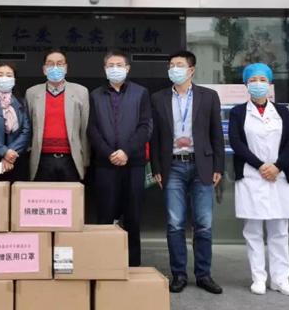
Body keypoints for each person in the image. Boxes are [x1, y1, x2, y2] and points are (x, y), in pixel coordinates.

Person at [150, 50, 225, 294]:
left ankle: (203, 274)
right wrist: (156, 167)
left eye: (179, 65)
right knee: (175, 223)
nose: (174, 69)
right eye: (171, 65)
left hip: (202, 165)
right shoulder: (158, 98)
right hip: (172, 166)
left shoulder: (208, 96)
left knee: (203, 223)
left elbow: (216, 133)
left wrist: (218, 166)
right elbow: (154, 136)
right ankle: (179, 274)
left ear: (191, 70)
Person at [229, 63, 289, 296]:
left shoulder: (282, 111)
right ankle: (258, 278)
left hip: (279, 176)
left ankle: (280, 279)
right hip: (252, 176)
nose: (258, 84)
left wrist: (277, 166)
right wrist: (260, 166)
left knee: (280, 230)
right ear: (246, 84)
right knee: (253, 231)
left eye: (262, 80)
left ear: (269, 84)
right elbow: (237, 143)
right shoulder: (238, 112)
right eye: (253, 80)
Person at [88, 50, 152, 267]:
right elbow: (92, 129)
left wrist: (126, 151)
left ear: (127, 68)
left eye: (119, 65)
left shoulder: (141, 93)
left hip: (133, 163)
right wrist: (109, 153)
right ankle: (104, 264)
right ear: (105, 69)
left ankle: (132, 265)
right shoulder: (95, 95)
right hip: (105, 164)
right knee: (105, 216)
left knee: (133, 216)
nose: (115, 69)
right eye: (110, 65)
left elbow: (145, 127)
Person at [25, 49, 90, 181]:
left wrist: (85, 161)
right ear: (44, 69)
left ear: (66, 68)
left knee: (70, 194)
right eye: (50, 64)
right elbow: (27, 128)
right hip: (41, 160)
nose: (55, 67)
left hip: (71, 159)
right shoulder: (32, 93)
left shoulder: (81, 92)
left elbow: (85, 129)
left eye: (60, 64)